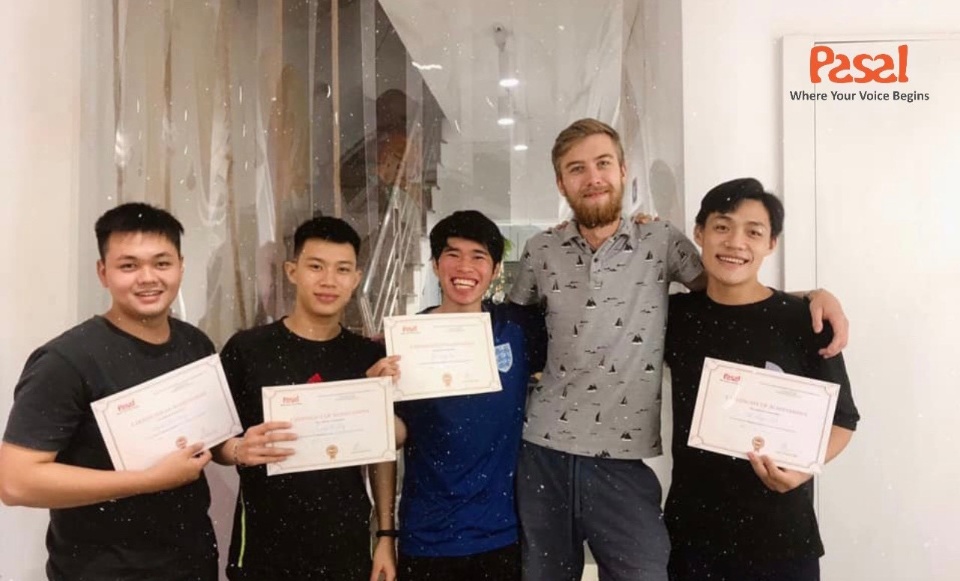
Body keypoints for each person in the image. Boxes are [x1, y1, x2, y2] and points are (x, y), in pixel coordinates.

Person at [508, 118, 849, 581]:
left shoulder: (661, 240)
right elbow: (517, 329)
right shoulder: (541, 249)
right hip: (543, 448)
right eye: (577, 168)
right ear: (560, 182)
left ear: (623, 170)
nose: (592, 178)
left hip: (626, 461)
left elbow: (731, 287)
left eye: (603, 163)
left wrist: (809, 297)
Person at [0, 203, 219, 580]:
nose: (148, 278)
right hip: (101, 570)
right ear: (103, 272)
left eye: (162, 263)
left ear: (181, 266)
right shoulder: (66, 360)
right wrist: (149, 481)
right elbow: (16, 482)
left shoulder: (194, 344)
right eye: (128, 265)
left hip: (192, 564)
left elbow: (206, 433)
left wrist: (238, 449)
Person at [663, 178, 859, 581]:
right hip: (692, 536)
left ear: (772, 243)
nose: (735, 242)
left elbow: (843, 420)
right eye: (722, 226)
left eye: (753, 232)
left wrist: (803, 470)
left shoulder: (805, 321)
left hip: (782, 537)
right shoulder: (674, 317)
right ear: (699, 233)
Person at [211, 216, 397, 581]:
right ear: (292, 271)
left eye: (342, 269)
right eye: (316, 267)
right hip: (263, 549)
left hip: (346, 546)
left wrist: (386, 536)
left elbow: (385, 449)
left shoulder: (367, 356)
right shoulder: (248, 350)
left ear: (356, 278)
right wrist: (238, 450)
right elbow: (214, 441)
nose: (329, 281)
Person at [367, 210, 546, 580]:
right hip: (426, 537)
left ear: (496, 269)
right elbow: (391, 441)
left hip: (501, 534)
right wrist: (374, 399)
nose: (465, 267)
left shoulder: (515, 331)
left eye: (478, 256)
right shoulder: (406, 342)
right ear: (435, 264)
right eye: (453, 254)